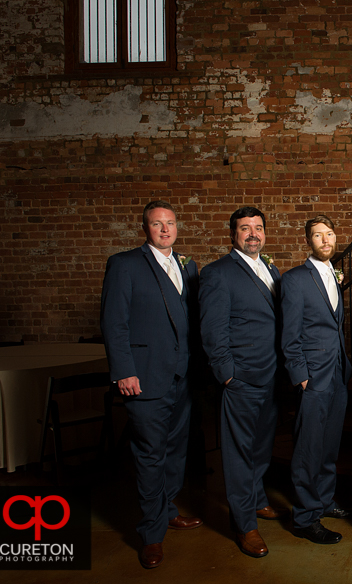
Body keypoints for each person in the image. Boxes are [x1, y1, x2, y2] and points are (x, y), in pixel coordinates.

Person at [100, 200, 202, 569]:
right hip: (142, 377)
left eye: (170, 223)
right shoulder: (125, 264)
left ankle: (168, 510)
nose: (165, 229)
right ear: (145, 228)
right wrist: (124, 371)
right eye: (157, 224)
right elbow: (115, 323)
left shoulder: (187, 266)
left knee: (175, 451)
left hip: (182, 376)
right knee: (149, 454)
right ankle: (151, 533)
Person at [198, 206, 282, 558]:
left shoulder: (271, 269)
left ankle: (258, 498)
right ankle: (244, 524)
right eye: (245, 228)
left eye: (258, 228)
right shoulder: (218, 273)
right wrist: (227, 374)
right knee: (238, 453)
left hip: (272, 374)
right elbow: (211, 330)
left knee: (262, 446)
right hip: (242, 378)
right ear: (233, 234)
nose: (253, 234)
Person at [280, 215, 352, 545]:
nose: (325, 240)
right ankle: (306, 517)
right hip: (313, 376)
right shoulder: (295, 279)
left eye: (329, 233)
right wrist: (301, 378)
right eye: (317, 235)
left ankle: (324, 500)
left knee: (330, 444)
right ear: (308, 241)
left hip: (336, 372)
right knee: (308, 448)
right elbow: (289, 334)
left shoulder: (333, 275)